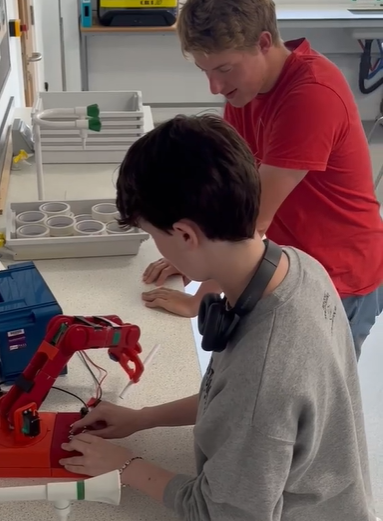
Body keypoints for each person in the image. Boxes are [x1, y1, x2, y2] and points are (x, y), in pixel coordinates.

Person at [60, 115, 376, 521]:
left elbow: (221, 513)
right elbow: (233, 400)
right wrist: (142, 419)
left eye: (154, 236)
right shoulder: (298, 266)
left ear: (185, 235)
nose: (158, 248)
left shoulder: (265, 369)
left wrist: (125, 465)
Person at [140, 0, 383, 360]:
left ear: (264, 42)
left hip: (339, 273)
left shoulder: (310, 95)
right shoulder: (245, 91)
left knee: (313, 389)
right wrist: (192, 252)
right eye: (205, 71)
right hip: (287, 264)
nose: (215, 86)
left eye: (224, 69)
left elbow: (249, 220)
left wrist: (198, 294)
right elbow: (231, 193)